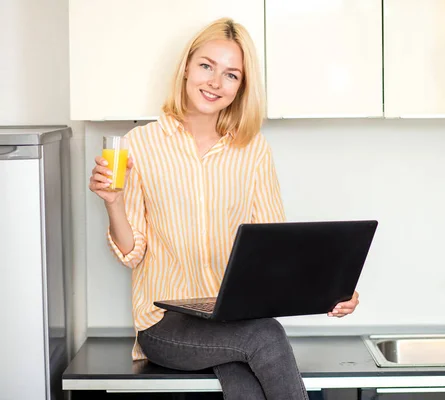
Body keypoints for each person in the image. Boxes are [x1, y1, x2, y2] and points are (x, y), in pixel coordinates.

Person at [88, 18, 360, 400]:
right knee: (265, 335)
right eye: (206, 66)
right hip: (166, 325)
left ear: (240, 87)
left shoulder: (252, 149)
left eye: (231, 74)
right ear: (186, 67)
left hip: (233, 322)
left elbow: (275, 249)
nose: (215, 83)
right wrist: (113, 203)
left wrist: (331, 290)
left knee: (246, 376)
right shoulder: (140, 145)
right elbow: (131, 254)